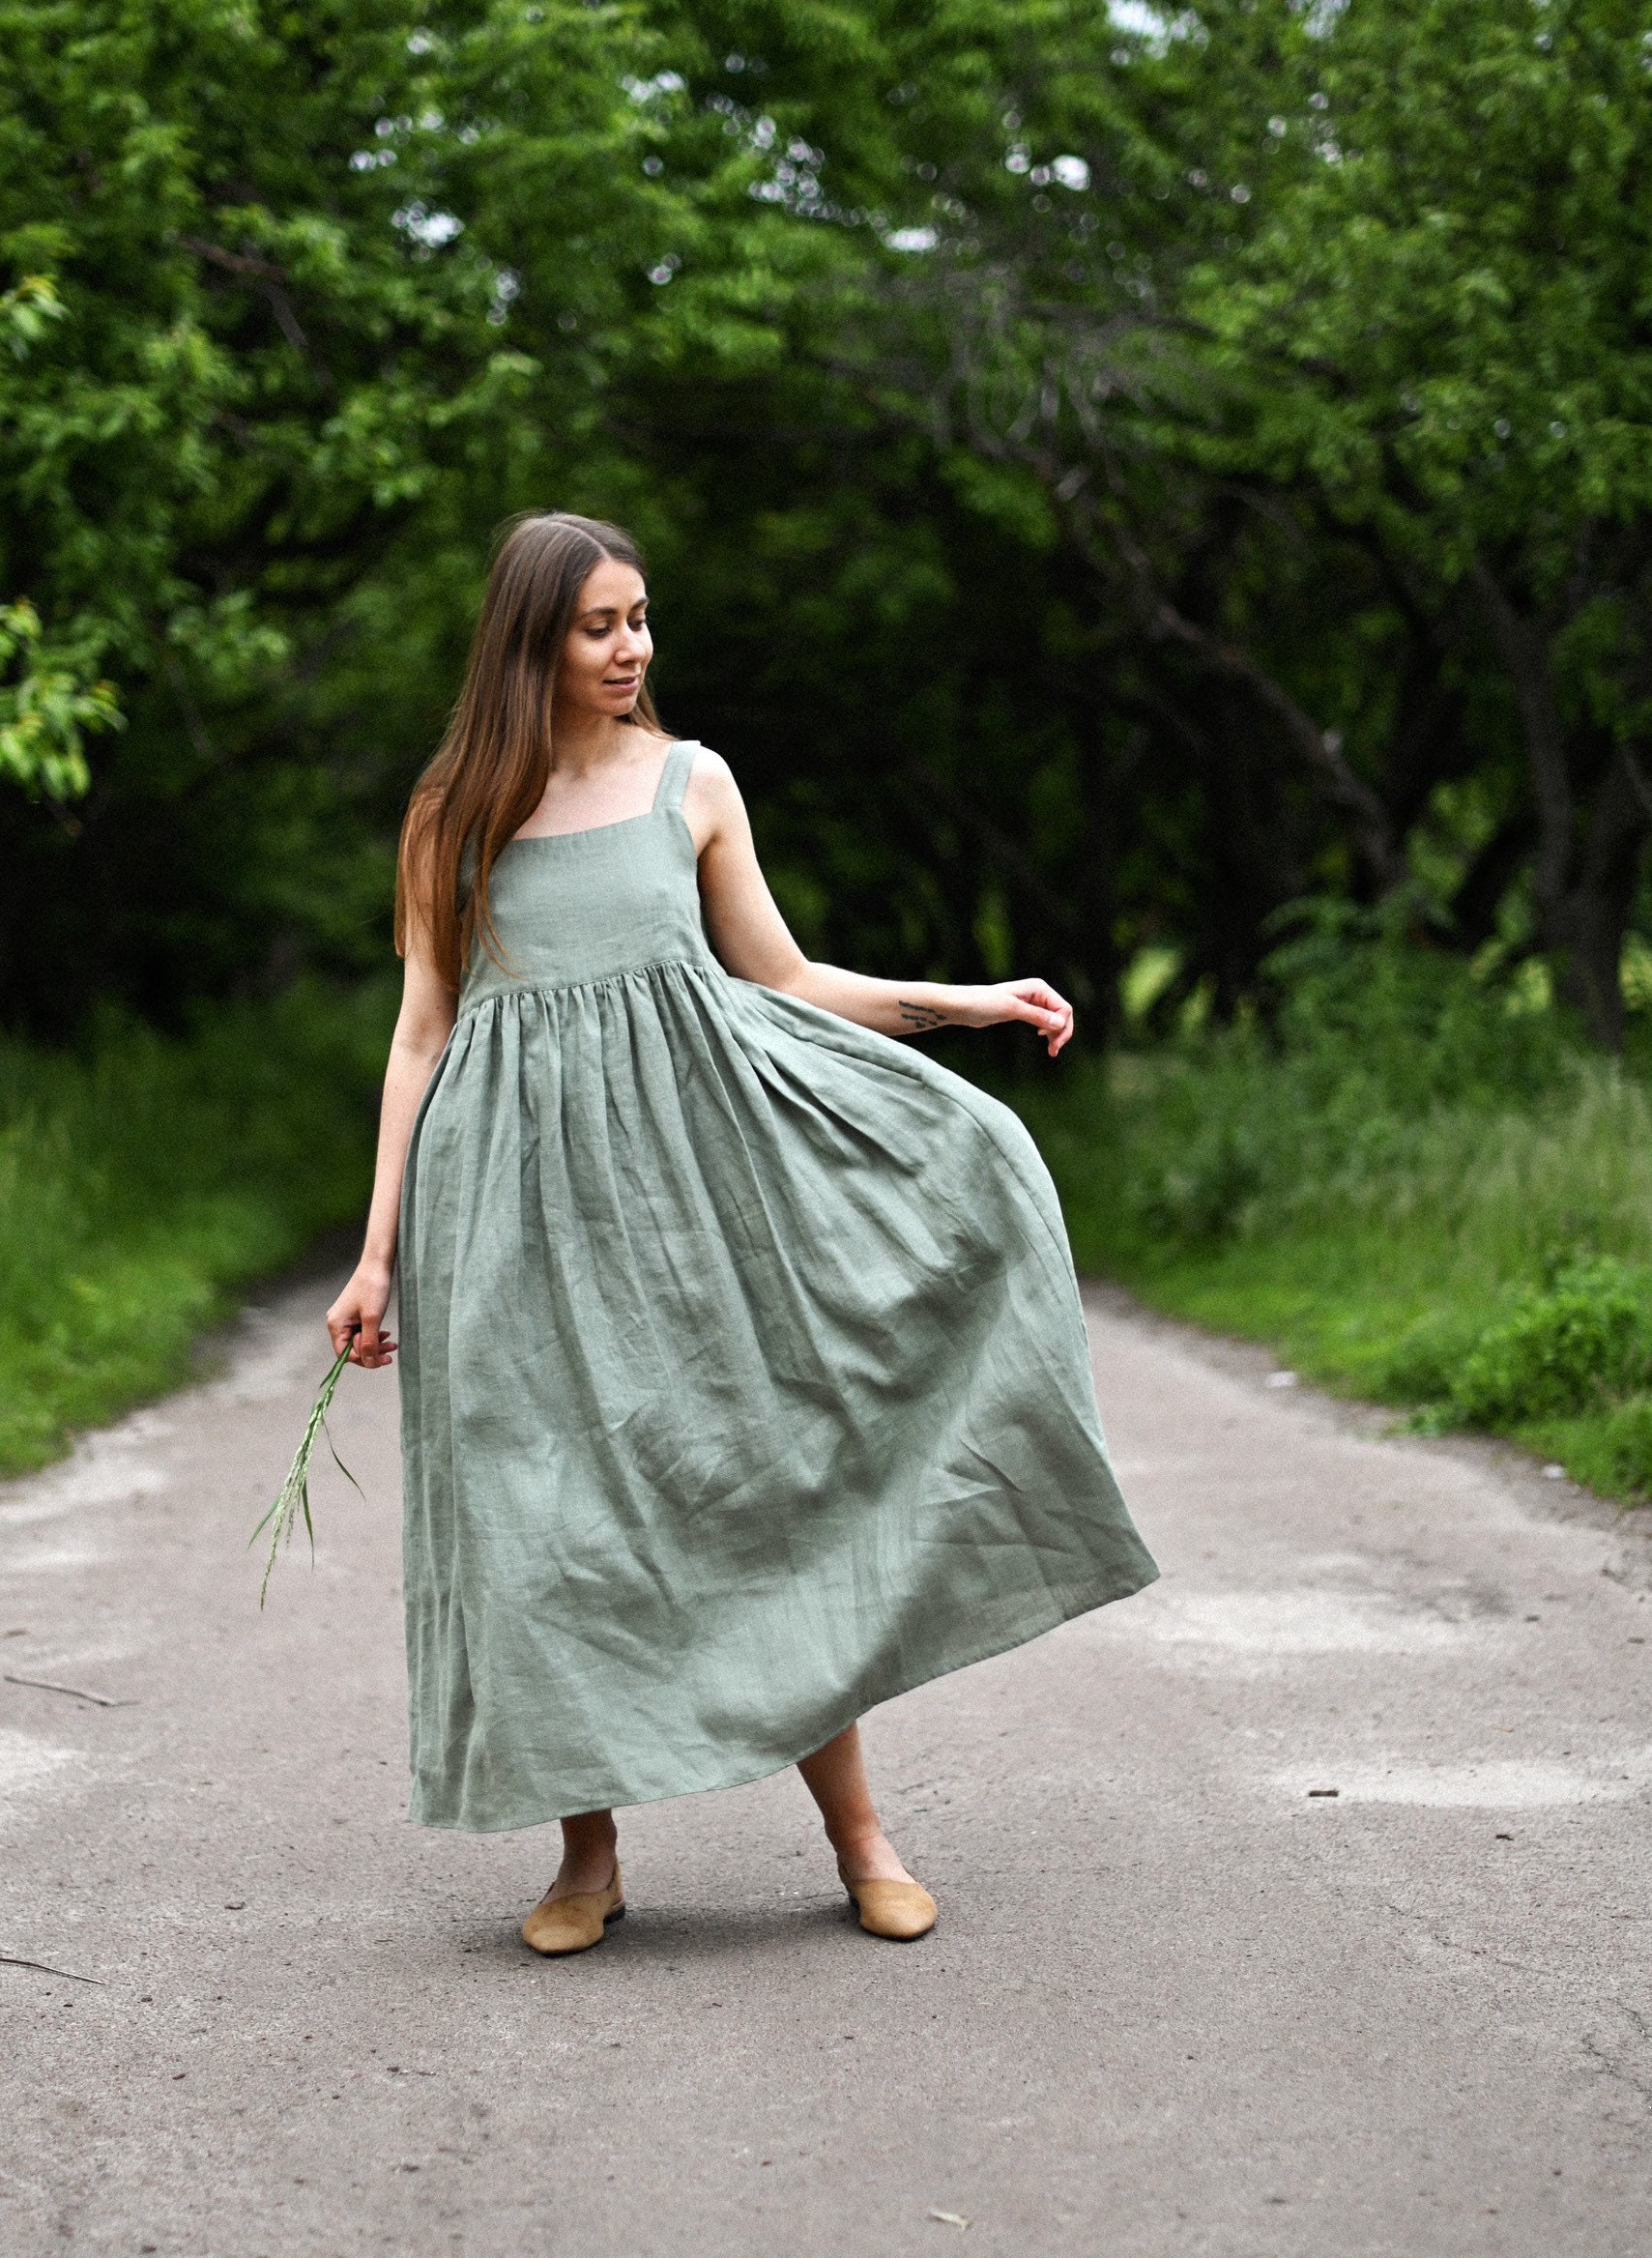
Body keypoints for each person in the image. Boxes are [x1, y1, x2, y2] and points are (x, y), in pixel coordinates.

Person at [326, 511, 1156, 1954]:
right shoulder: (450, 813)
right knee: (546, 1521)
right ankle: (587, 1858)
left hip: (690, 1201)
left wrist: (963, 1002)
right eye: (599, 626)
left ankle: (860, 1836)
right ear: (527, 642)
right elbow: (422, 1033)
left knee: (759, 1485)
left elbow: (781, 978)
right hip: (509, 1215)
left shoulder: (690, 782)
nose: (632, 647)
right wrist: (379, 1251)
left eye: (641, 618)